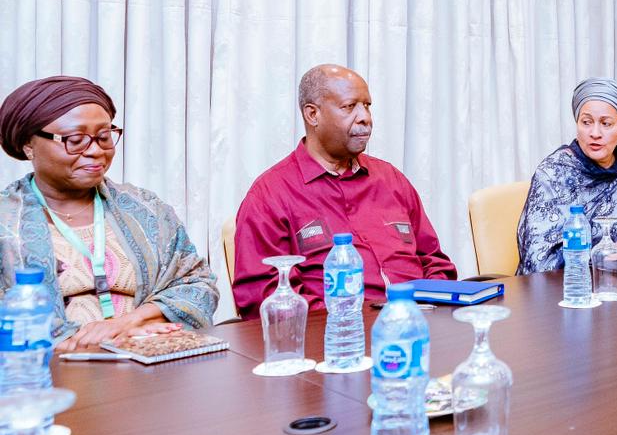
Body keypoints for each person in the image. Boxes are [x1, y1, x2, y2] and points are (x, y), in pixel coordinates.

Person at [0, 76, 217, 350]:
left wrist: (127, 324)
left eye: (104, 137)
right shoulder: (5, 222)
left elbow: (199, 284)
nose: (95, 151)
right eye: (75, 140)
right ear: (28, 145)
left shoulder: (147, 210)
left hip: (149, 359)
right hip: (48, 374)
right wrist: (66, 343)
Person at [232, 65, 455, 317]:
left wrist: (436, 307)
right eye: (350, 107)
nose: (365, 118)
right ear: (312, 114)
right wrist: (347, 325)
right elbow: (266, 295)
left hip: (419, 326)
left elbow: (434, 261)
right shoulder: (269, 195)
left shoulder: (391, 179)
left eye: (367, 106)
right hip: (336, 340)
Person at [517, 77, 617, 273]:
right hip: (566, 290)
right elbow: (540, 261)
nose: (595, 133)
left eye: (606, 124)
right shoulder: (553, 173)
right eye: (586, 122)